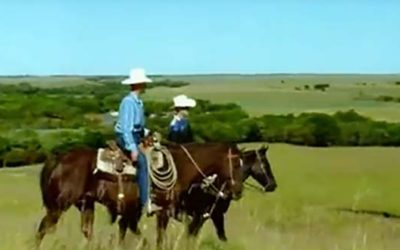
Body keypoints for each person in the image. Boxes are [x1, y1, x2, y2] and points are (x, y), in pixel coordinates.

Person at [114, 68, 161, 215]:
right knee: (143, 162)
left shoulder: (138, 102)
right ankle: (146, 202)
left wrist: (149, 133)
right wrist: (132, 148)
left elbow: (137, 126)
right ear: (139, 84)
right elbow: (127, 128)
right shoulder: (128, 102)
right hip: (125, 136)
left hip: (135, 135)